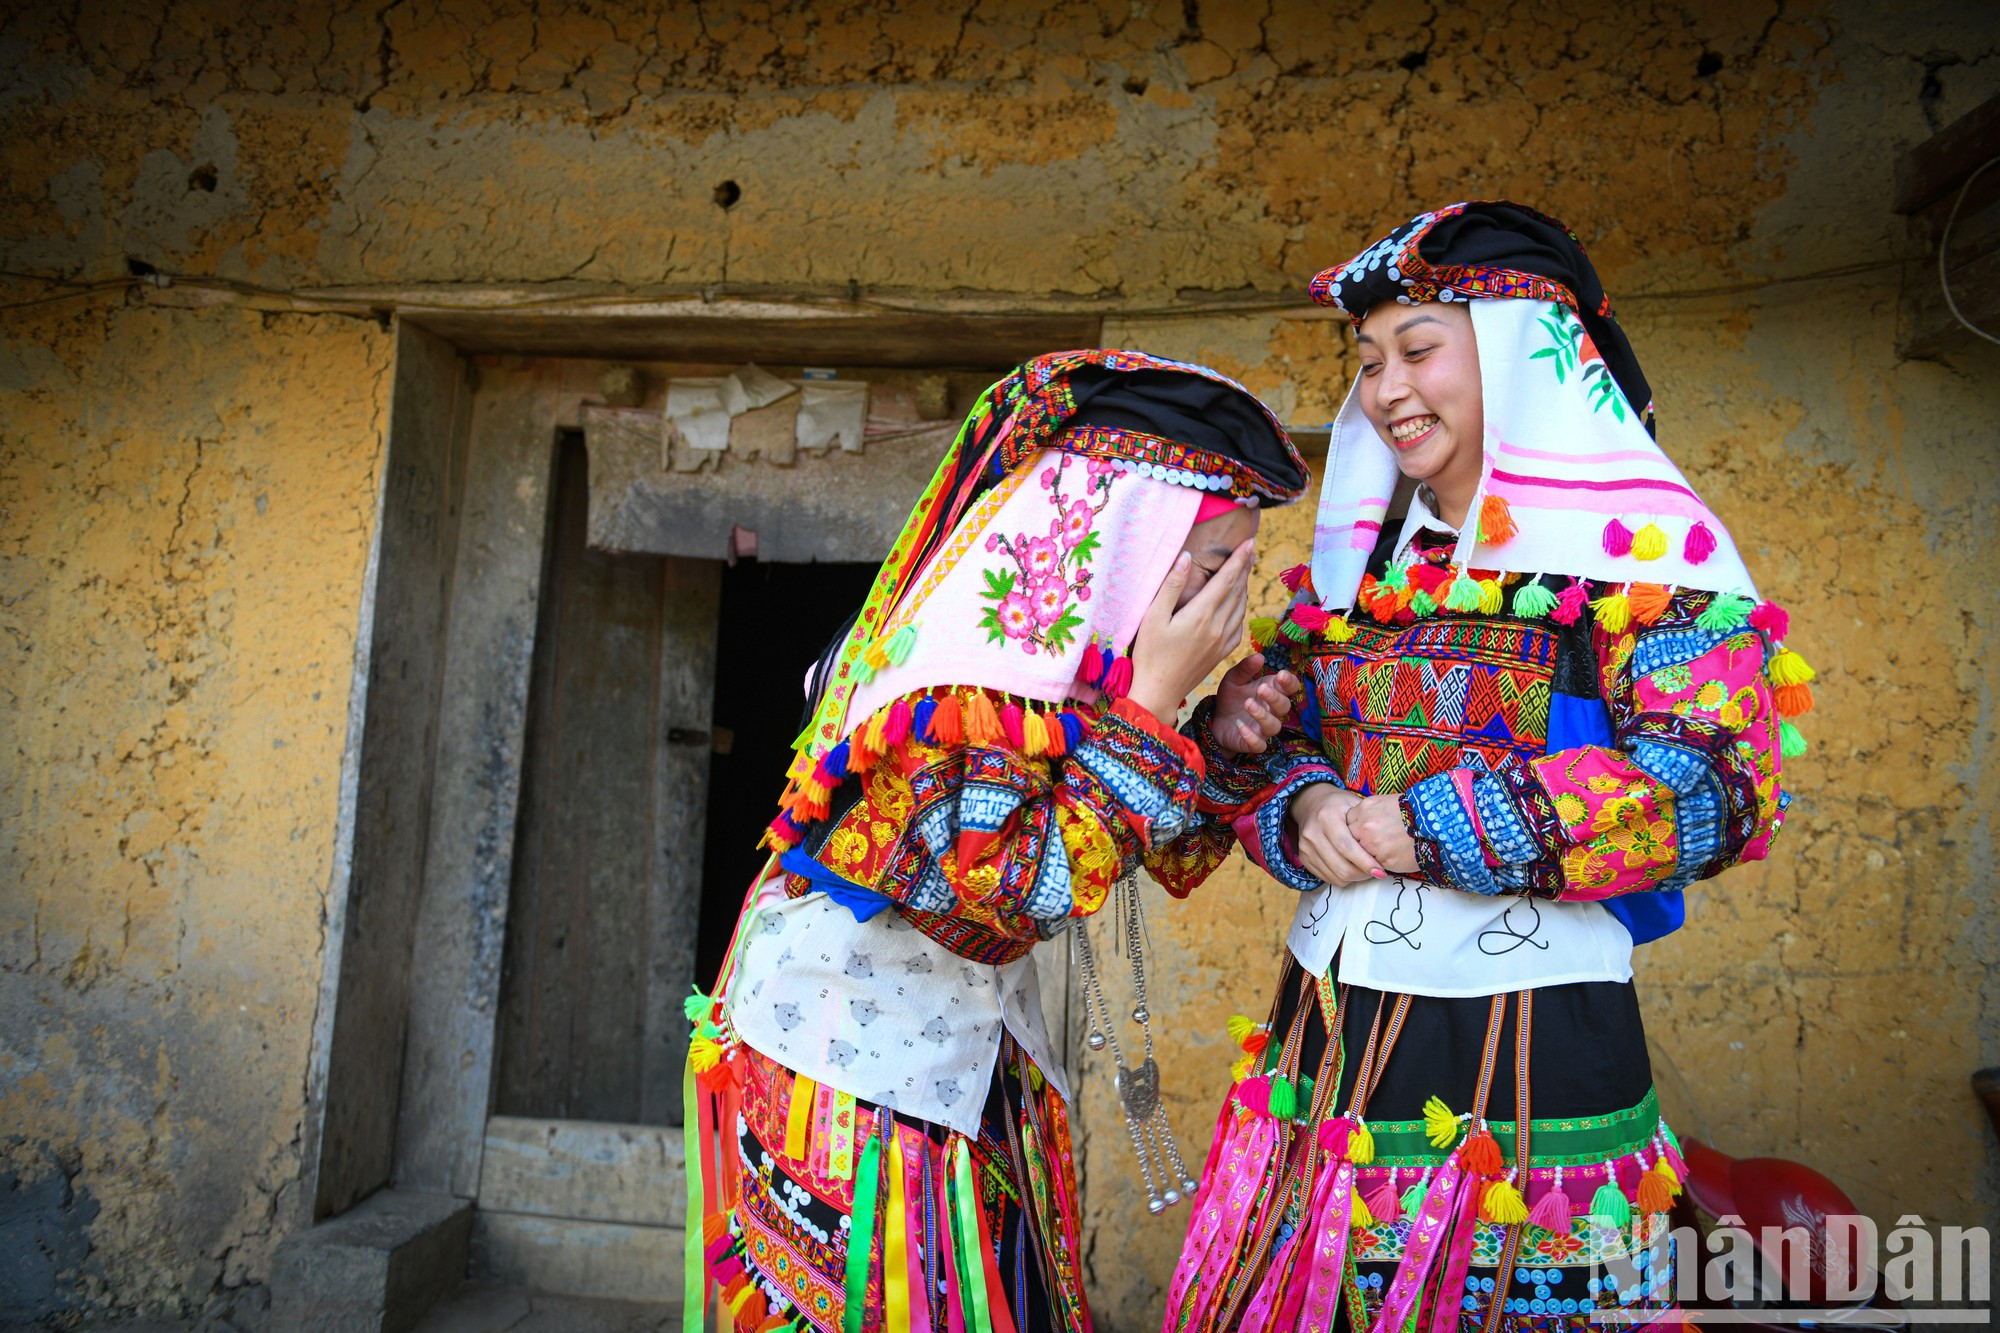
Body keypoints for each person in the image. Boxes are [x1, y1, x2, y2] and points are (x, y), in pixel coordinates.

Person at [1165, 202, 1808, 1333]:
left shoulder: (1643, 558)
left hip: (1532, 1045)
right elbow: (1269, 743)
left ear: (1517, 357)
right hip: (1328, 1032)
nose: (1383, 390)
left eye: (1416, 350)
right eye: (1366, 363)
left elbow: (1712, 785)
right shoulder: (1366, 575)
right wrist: (1296, 786)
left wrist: (1427, 827)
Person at [683, 349, 1312, 1333]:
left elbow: (1132, 832)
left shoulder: (1056, 671)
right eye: (1205, 567)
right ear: (1121, 549)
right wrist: (1152, 706)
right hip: (857, 1075)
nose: (1225, 601)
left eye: (1239, 568)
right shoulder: (967, 671)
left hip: (948, 1059)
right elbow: (1008, 898)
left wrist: (1204, 735)